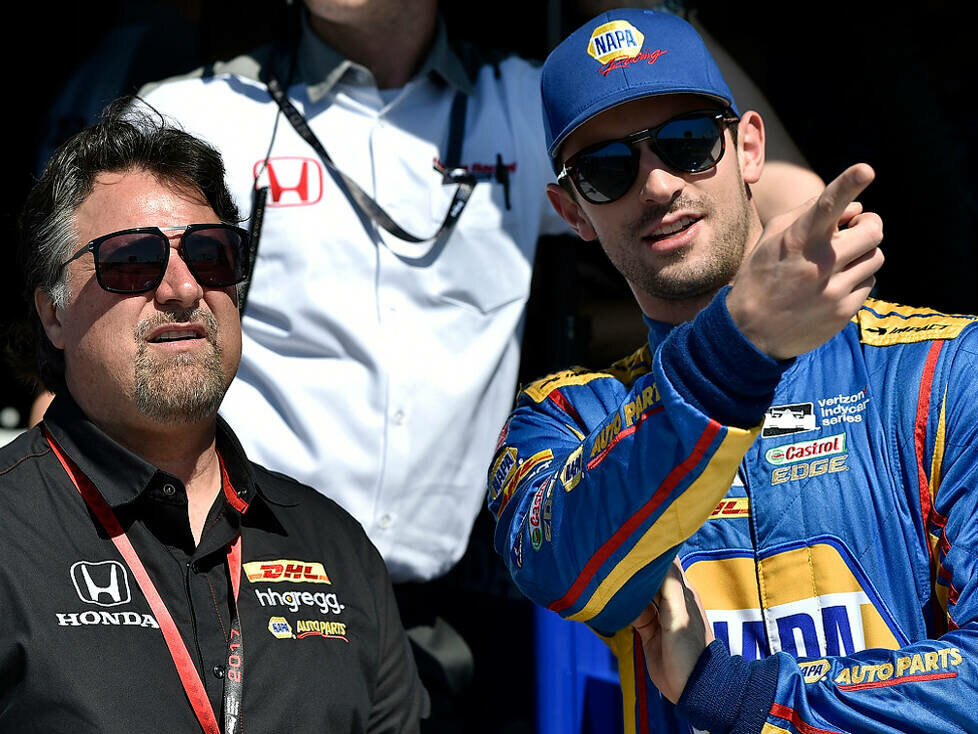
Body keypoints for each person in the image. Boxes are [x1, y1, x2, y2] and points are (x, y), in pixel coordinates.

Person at [488, 8, 978, 732]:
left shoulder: (940, 369)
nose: (656, 186)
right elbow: (569, 574)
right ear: (572, 212)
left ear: (749, 148)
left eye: (686, 144)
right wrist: (739, 345)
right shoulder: (563, 417)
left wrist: (741, 694)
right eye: (606, 169)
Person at [0, 100, 427, 732]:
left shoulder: (337, 548)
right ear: (54, 314)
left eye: (211, 253)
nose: (184, 288)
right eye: (132, 260)